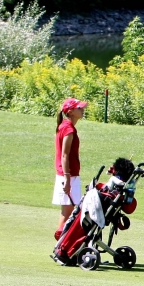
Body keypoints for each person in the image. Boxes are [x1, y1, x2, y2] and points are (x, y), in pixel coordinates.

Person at [54, 98, 88, 235]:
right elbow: (64, 155)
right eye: (79, 108)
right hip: (68, 175)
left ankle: (63, 245)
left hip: (68, 175)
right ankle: (61, 247)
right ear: (71, 112)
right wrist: (67, 178)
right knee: (68, 213)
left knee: (69, 212)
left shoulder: (65, 126)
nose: (82, 110)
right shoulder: (68, 129)